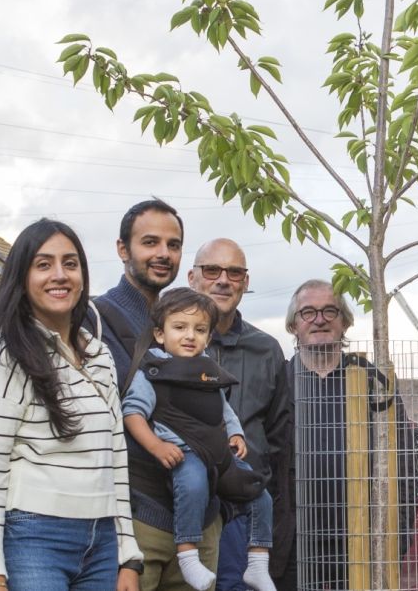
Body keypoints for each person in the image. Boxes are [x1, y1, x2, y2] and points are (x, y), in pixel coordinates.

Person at [0, 219, 143, 591]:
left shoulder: (98, 354)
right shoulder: (5, 355)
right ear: (22, 277)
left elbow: (115, 455)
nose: (60, 275)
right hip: (33, 539)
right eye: (43, 264)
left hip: (102, 543)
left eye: (70, 263)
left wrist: (129, 556)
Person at [95, 199, 224, 591]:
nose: (163, 254)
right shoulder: (95, 320)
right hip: (135, 518)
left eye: (173, 244)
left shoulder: (191, 327)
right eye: (150, 242)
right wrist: (119, 544)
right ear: (123, 249)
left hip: (200, 522)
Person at [122, 288, 267, 591]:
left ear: (208, 337)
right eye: (180, 327)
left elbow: (223, 409)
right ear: (160, 334)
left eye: (200, 330)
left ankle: (257, 562)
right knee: (194, 482)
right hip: (184, 453)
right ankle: (188, 555)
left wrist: (236, 433)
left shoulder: (206, 370)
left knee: (258, 491)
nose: (190, 336)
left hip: (216, 454)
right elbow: (133, 413)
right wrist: (156, 445)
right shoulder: (154, 370)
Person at [285, 280, 418, 590]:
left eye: (330, 310)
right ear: (293, 325)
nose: (320, 319)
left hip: (361, 545)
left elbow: (404, 462)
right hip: (291, 546)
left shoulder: (372, 382)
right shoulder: (278, 381)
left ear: (344, 321)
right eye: (308, 312)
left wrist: (397, 535)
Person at [187, 239, 291, 591]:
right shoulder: (167, 345)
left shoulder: (266, 350)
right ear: (192, 277)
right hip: (184, 507)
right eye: (212, 270)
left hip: (245, 511)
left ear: (245, 282)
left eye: (234, 272)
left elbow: (279, 439)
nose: (223, 280)